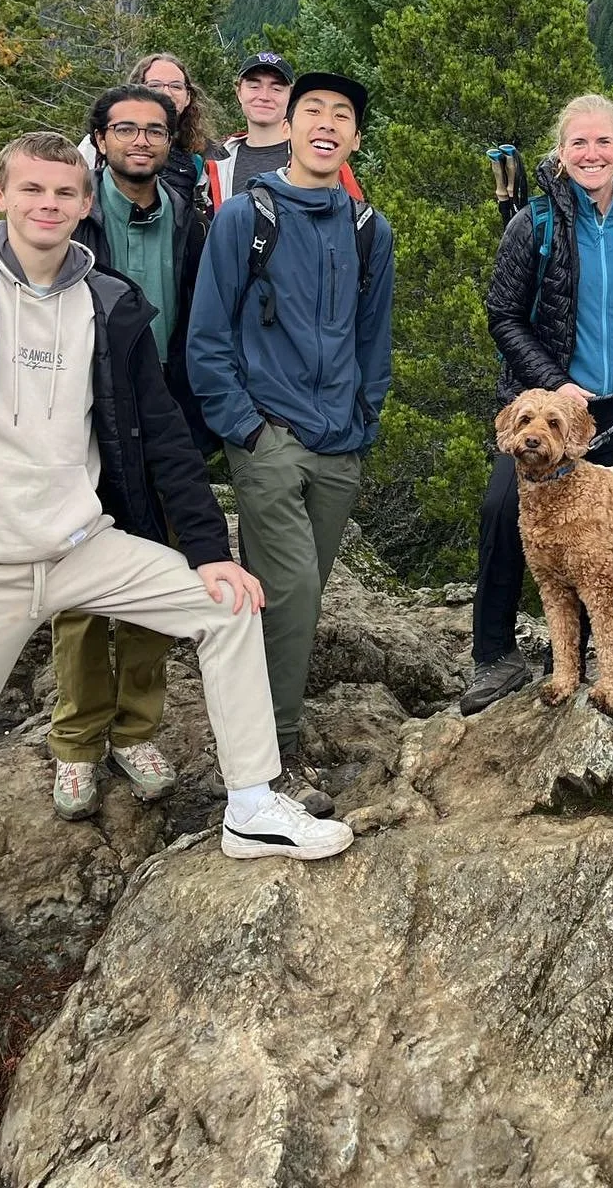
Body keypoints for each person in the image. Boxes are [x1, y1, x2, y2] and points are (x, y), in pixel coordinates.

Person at [0, 132, 354, 1036]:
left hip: (81, 545)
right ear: (2, 193)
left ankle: (252, 804)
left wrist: (210, 548)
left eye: (65, 191)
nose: (49, 205)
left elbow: (166, 433)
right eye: (33, 190)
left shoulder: (110, 303)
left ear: (86, 201)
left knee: (225, 606)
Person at [186, 73, 394, 815]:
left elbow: (375, 340)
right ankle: (268, 758)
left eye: (343, 115)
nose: (327, 124)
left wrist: (363, 419)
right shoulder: (246, 217)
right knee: (291, 591)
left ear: (355, 139)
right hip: (267, 435)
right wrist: (245, 428)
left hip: (340, 443)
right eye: (314, 111)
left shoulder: (371, 230)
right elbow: (207, 339)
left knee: (297, 598)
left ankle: (259, 738)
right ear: (292, 127)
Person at [462, 94, 613, 715]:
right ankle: (494, 657)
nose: (592, 153)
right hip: (548, 407)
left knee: (596, 544)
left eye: (603, 142)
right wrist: (552, 381)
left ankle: (581, 668)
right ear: (561, 152)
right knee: (502, 509)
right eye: (578, 143)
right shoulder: (533, 223)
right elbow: (502, 313)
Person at [47, 83, 213, 820]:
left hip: (166, 420)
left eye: (156, 129)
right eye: (126, 130)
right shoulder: (80, 223)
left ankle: (136, 729)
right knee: (80, 590)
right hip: (85, 423)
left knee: (158, 572)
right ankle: (77, 744)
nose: (141, 141)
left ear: (172, 139)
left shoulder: (190, 220)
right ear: (102, 141)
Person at [205, 53, 364, 209]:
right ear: (239, 92)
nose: (264, 96)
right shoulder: (216, 160)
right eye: (254, 86)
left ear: (291, 95)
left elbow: (354, 223)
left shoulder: (324, 159)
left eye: (276, 88)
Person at [130, 52, 222, 205]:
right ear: (135, 92)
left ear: (188, 98)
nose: (166, 92)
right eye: (154, 85)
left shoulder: (204, 156)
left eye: (176, 86)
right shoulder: (102, 144)